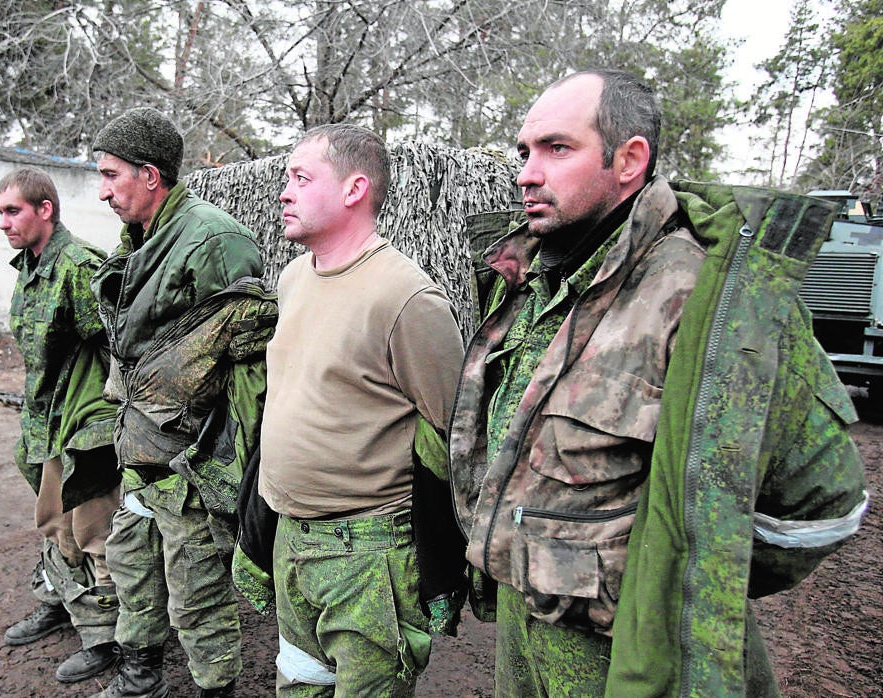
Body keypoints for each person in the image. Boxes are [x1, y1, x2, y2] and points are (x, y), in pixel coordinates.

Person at [447, 69, 870, 696]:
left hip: (627, 661)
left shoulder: (707, 299)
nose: (527, 172)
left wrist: (680, 575)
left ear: (629, 159)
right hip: (521, 633)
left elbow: (824, 505)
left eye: (556, 149)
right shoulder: (536, 280)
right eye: (524, 152)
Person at [257, 124, 465, 695]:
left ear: (354, 190)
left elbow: (451, 428)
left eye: (302, 178)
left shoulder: (405, 297)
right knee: (300, 682)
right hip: (290, 537)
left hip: (367, 553)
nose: (284, 190)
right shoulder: (294, 277)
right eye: (286, 178)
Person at [89, 107, 277, 698]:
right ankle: (139, 668)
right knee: (132, 561)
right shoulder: (144, 237)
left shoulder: (213, 241)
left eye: (110, 175)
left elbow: (247, 371)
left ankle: (214, 686)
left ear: (150, 175)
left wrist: (221, 467)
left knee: (196, 585)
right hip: (142, 441)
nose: (102, 192)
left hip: (193, 457)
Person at [0, 167, 123, 684]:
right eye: (0, 213)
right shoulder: (30, 265)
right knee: (52, 523)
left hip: (83, 420)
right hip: (45, 418)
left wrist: (101, 418)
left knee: (94, 530)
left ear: (44, 209)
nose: (3, 223)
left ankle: (107, 637)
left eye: (13, 211)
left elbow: (120, 344)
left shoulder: (78, 265)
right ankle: (63, 603)